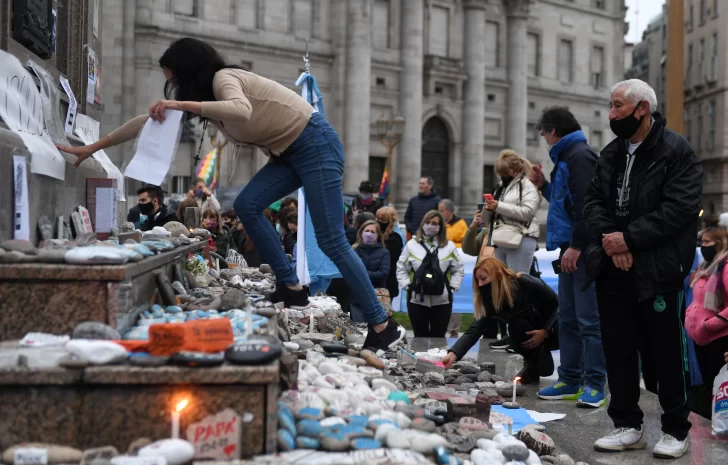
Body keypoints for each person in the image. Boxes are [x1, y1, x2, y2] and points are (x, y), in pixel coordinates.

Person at [56, 37, 405, 352]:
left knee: (332, 240)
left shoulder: (225, 79)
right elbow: (145, 123)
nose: (172, 87)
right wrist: (93, 147)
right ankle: (292, 288)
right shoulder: (205, 99)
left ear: (188, 70)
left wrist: (184, 105)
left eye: (173, 78)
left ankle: (382, 325)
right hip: (289, 152)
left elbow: (242, 110)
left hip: (315, 145)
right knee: (247, 205)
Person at [583, 79, 703, 458]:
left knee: (664, 353)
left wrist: (629, 239)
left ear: (642, 110)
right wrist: (612, 240)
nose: (611, 113)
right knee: (617, 349)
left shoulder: (677, 151)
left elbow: (679, 209)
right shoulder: (610, 153)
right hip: (613, 267)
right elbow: (593, 202)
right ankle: (626, 425)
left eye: (618, 106)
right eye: (611, 105)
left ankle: (675, 430)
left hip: (658, 270)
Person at [530, 106, 607, 409]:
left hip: (582, 251)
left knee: (589, 320)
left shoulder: (579, 156)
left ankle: (594, 384)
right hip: (570, 250)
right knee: (569, 318)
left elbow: (589, 206)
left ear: (552, 131)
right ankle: (570, 379)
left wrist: (576, 245)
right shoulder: (567, 157)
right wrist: (544, 188)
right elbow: (565, 204)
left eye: (543, 134)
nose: (544, 140)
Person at [441, 258, 557, 383]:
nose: (480, 284)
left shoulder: (525, 282)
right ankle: (531, 368)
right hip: (531, 333)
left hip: (557, 329)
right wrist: (454, 354)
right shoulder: (491, 299)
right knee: (516, 328)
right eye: (477, 280)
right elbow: (475, 329)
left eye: (483, 278)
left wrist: (545, 331)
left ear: (498, 275)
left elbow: (559, 306)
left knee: (519, 325)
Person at [397, 210, 464, 337]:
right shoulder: (411, 245)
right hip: (416, 300)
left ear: (441, 227)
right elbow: (401, 268)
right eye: (427, 222)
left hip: (442, 301)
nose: (430, 226)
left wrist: (452, 288)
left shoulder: (449, 246)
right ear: (422, 224)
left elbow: (458, 269)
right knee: (419, 339)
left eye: (434, 223)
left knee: (438, 340)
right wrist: (407, 286)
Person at [686, 227, 728, 414]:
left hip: (718, 339)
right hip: (701, 340)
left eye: (707, 242)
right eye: (701, 242)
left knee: (719, 388)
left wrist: (710, 324)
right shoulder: (704, 269)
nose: (702, 247)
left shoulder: (725, 268)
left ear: (719, 244)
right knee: (710, 387)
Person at [350, 220, 391, 322]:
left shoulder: (384, 252)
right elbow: (351, 272)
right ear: (361, 232)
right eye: (367, 230)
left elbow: (383, 274)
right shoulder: (353, 251)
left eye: (373, 232)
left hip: (377, 298)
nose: (369, 233)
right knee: (359, 329)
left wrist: (362, 274)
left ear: (377, 235)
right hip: (357, 298)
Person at [376, 207, 405, 301]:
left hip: (388, 278)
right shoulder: (377, 234)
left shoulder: (395, 238)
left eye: (382, 219)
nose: (379, 221)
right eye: (378, 218)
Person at [404, 176, 441, 240]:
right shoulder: (413, 200)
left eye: (423, 184)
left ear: (430, 186)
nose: (420, 186)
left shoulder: (437, 201)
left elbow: (439, 219)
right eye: (420, 183)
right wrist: (411, 229)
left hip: (430, 237)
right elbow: (407, 217)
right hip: (414, 235)